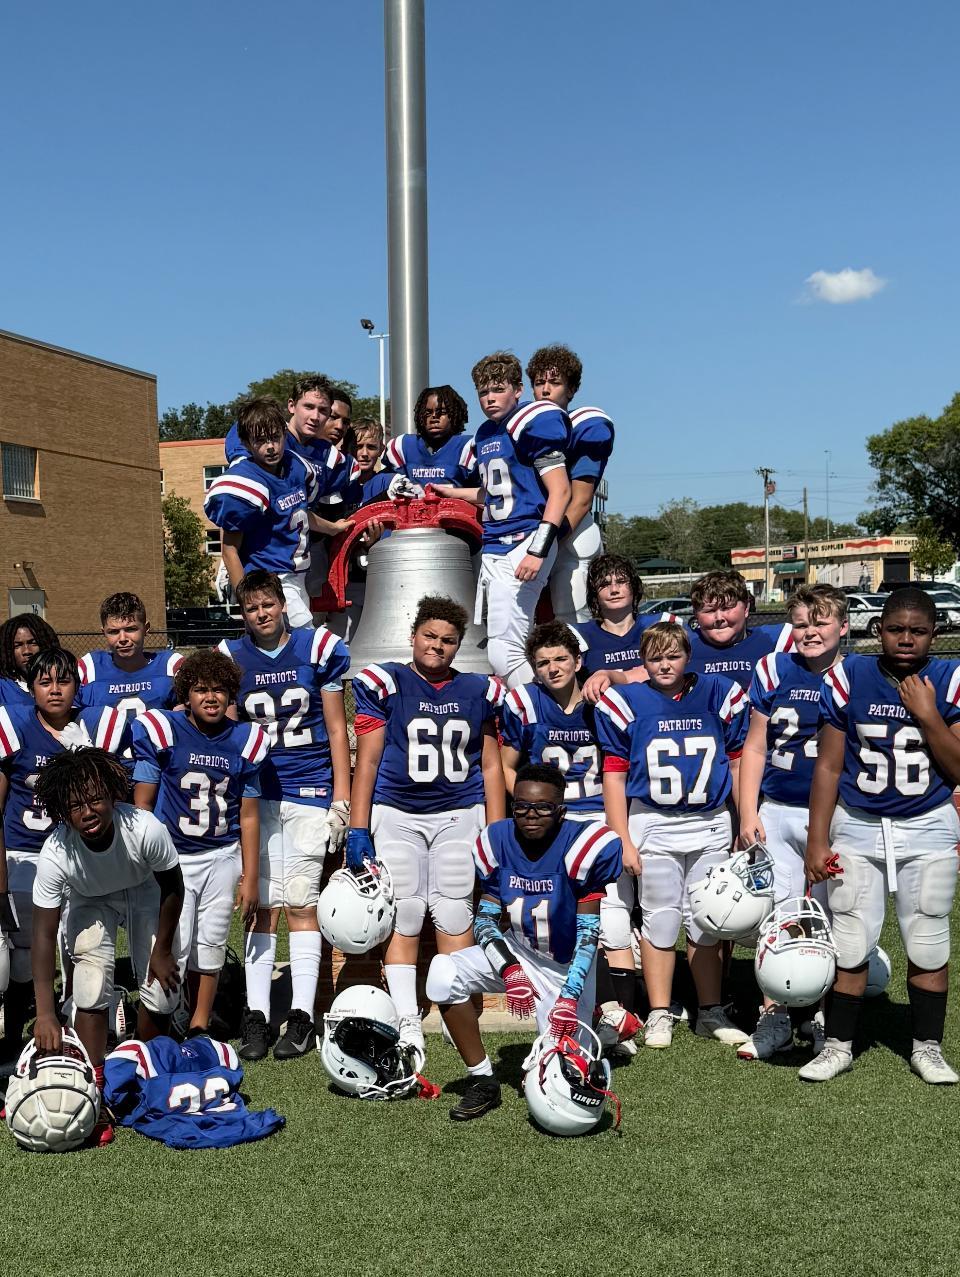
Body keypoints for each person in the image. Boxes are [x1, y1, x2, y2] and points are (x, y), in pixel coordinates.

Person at [802, 589, 960, 1084]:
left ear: (935, 633)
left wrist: (928, 714)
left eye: (918, 631)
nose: (906, 639)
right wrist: (817, 839)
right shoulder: (848, 676)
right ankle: (838, 1045)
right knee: (850, 938)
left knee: (928, 938)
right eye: (896, 629)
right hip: (858, 823)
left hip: (928, 823)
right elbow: (828, 766)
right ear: (879, 630)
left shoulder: (950, 679)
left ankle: (928, 1047)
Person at [350, 595, 506, 1054]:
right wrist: (359, 826)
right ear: (413, 636)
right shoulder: (387, 683)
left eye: (448, 640)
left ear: (458, 646)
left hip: (459, 811)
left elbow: (491, 766)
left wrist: (497, 830)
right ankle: (406, 1017)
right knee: (405, 913)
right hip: (398, 812)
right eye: (429, 636)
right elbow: (369, 760)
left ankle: (455, 1008)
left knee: (455, 911)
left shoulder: (478, 690)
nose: (437, 646)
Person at [424, 764, 622, 1121]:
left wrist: (569, 996)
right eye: (521, 806)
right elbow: (485, 920)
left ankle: (598, 1027)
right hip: (519, 950)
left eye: (543, 807)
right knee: (442, 973)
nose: (531, 815)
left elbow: (588, 935)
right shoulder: (497, 840)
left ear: (560, 811)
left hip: (565, 968)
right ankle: (483, 1080)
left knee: (559, 1082)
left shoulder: (584, 845)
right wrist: (510, 970)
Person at [595, 621, 750, 1049]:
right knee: (660, 919)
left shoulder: (719, 694)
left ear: (688, 656)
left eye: (673, 656)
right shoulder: (626, 701)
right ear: (642, 661)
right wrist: (621, 837)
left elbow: (738, 763)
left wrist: (745, 819)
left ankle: (710, 1010)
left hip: (710, 820)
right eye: (655, 657)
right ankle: (659, 1011)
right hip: (654, 821)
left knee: (707, 920)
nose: (664, 665)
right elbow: (614, 775)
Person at [220, 570, 351, 1061]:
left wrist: (341, 797)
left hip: (309, 789)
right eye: (251, 607)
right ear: (243, 614)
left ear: (282, 604)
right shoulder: (231, 657)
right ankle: (256, 1014)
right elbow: (230, 735)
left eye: (267, 604)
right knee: (260, 907)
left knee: (300, 901)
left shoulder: (316, 648)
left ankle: (301, 1016)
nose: (261, 613)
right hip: (256, 797)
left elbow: (336, 729)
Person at [30, 747, 184, 1145]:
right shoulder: (56, 852)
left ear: (113, 794)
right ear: (62, 810)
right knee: (89, 985)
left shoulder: (144, 828)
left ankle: (149, 1076)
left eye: (95, 799)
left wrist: (162, 950)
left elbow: (173, 885)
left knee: (161, 990)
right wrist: (45, 1013)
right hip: (90, 898)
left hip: (145, 890)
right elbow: (43, 934)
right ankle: (95, 1090)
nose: (88, 812)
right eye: (76, 805)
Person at [0, 647, 130, 1057]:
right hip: (24, 853)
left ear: (78, 686)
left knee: (81, 948)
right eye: (45, 682)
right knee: (23, 957)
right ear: (32, 688)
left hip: (77, 855)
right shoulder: (15, 725)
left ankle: (80, 1029)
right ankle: (17, 1037)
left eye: (63, 681)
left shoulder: (96, 726)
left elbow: (116, 795)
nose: (55, 690)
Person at [736, 584, 848, 1061]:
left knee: (831, 918)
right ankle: (775, 1015)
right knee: (778, 917)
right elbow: (755, 745)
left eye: (820, 622)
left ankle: (822, 1015)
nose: (810, 632)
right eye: (801, 623)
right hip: (779, 809)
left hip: (837, 815)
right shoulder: (772, 668)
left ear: (843, 626)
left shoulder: (855, 675)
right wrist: (748, 810)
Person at [131, 650, 268, 1037]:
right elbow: (142, 804)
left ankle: (199, 1024)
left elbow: (249, 815)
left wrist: (251, 876)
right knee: (174, 944)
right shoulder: (165, 730)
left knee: (211, 943)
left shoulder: (245, 739)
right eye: (201, 689)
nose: (211, 697)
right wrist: (143, 857)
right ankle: (165, 1019)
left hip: (222, 855)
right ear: (186, 694)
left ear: (231, 695)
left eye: (219, 690)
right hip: (172, 858)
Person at [468, 351, 571, 688]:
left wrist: (537, 550)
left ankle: (539, 707)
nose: (490, 398)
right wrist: (448, 492)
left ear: (518, 390)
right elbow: (495, 492)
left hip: (524, 539)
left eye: (498, 389)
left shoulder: (530, 422)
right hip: (496, 544)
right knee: (510, 642)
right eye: (483, 392)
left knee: (503, 650)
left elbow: (561, 491)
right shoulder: (485, 433)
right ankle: (537, 703)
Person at [206, 397, 339, 629]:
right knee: (307, 638)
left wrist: (334, 527)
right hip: (267, 580)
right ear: (247, 443)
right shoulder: (247, 480)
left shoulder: (296, 466)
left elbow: (299, 514)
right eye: (260, 440)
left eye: (275, 437)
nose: (270, 446)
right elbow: (229, 550)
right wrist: (248, 600)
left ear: (284, 435)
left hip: (296, 576)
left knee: (288, 646)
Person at [525, 344, 614, 625]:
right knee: (521, 623)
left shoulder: (585, 425)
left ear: (572, 389)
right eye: (539, 383)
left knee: (571, 620)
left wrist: (545, 543)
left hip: (569, 532)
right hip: (529, 532)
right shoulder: (523, 426)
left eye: (555, 382)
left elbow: (581, 500)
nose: (545, 390)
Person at [575, 554, 682, 695]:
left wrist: (613, 676)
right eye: (604, 584)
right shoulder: (579, 636)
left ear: (634, 587)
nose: (614, 590)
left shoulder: (659, 625)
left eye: (621, 581)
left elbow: (684, 665)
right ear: (595, 593)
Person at [77, 592, 183, 724]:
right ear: (103, 632)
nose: (122, 639)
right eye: (114, 631)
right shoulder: (89, 668)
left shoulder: (171, 666)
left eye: (130, 629)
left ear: (146, 628)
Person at [686, 570, 793, 691]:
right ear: (696, 614)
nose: (719, 618)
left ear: (746, 609)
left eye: (727, 608)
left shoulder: (774, 641)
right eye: (710, 610)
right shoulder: (683, 646)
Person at [384, 384, 478, 494]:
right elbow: (382, 481)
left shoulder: (467, 447)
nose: (434, 417)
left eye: (442, 412)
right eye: (428, 413)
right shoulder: (402, 446)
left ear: (454, 415)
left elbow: (482, 491)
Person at [0, 614, 60, 709]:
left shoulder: (65, 684)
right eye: (17, 645)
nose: (27, 651)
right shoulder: (3, 689)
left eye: (33, 643)